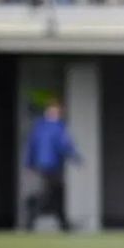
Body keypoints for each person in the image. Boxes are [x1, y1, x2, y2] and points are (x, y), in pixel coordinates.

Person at [24, 97, 81, 232]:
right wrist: (76, 158)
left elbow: (31, 146)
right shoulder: (57, 127)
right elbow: (63, 145)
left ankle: (62, 222)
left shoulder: (39, 126)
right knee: (52, 193)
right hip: (52, 165)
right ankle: (34, 215)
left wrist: (29, 163)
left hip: (43, 165)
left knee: (55, 192)